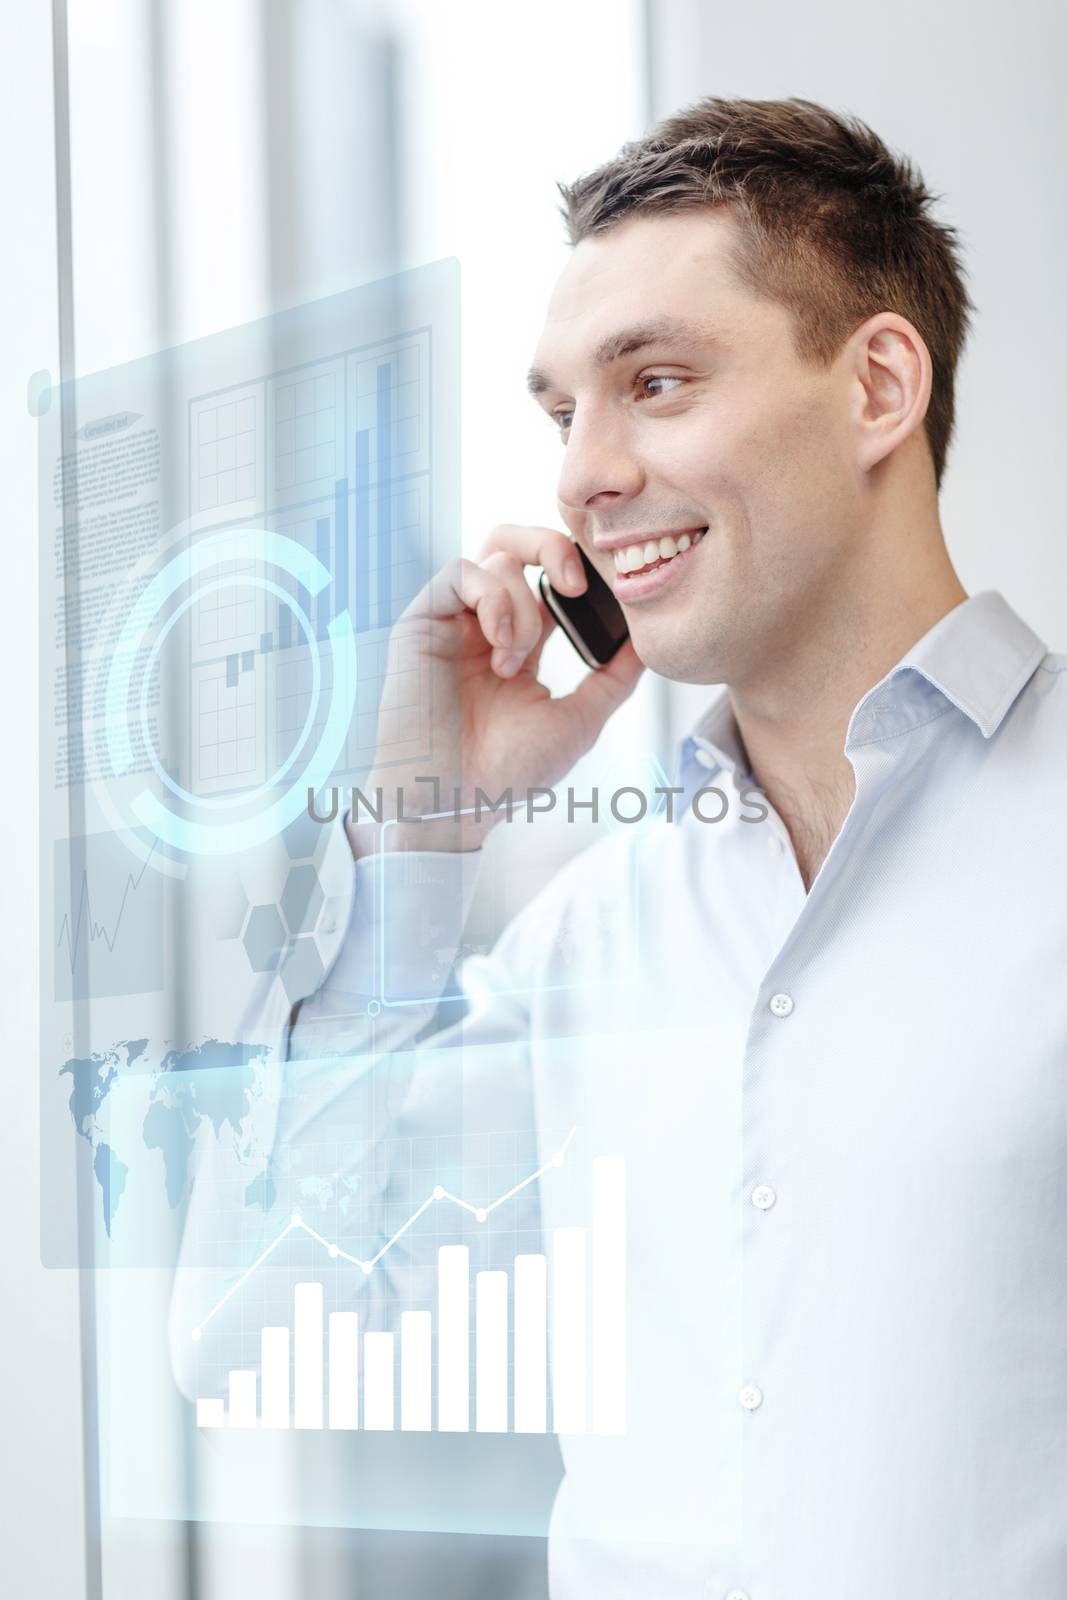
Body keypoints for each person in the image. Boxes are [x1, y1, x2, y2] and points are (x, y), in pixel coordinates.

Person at [174, 98, 1067, 1597]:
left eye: (654, 381)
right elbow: (247, 1340)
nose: (583, 477)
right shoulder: (588, 938)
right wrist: (419, 839)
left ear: (878, 390)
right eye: (559, 414)